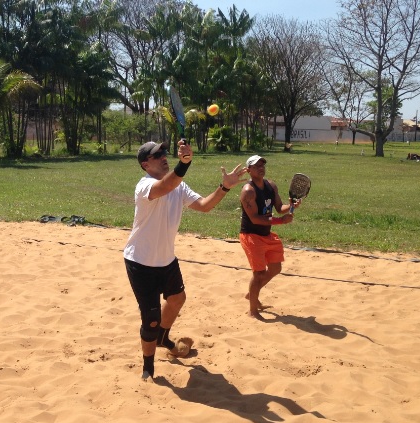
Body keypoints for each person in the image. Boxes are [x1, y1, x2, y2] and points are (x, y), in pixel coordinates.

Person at [124, 140, 248, 380]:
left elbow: (204, 206)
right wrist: (184, 164)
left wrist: (224, 187)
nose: (163, 156)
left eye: (163, 152)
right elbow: (164, 187)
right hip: (140, 263)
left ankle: (162, 337)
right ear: (145, 164)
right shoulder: (145, 186)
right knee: (150, 320)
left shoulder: (178, 186)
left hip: (166, 260)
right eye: (156, 154)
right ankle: (148, 368)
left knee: (177, 299)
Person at [238, 155, 298, 321]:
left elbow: (279, 208)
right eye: (257, 166)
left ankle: (251, 294)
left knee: (275, 268)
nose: (261, 167)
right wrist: (281, 221)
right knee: (258, 274)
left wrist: (291, 206)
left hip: (266, 234)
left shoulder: (270, 185)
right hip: (251, 235)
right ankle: (252, 310)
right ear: (249, 170)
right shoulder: (248, 191)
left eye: (262, 164)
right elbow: (255, 218)